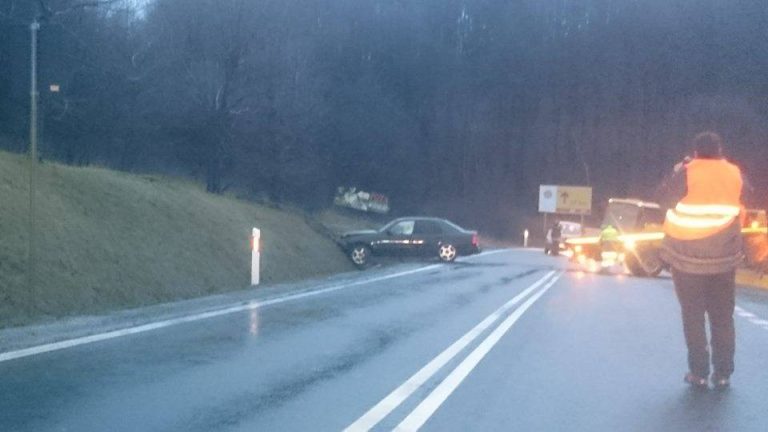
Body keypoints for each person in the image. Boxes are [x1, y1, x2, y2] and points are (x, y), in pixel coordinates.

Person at [660, 131, 744, 390]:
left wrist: (678, 169)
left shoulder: (687, 171)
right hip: (724, 258)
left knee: (693, 316)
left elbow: (663, 197)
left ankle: (698, 372)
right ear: (720, 150)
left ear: (695, 152)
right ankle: (723, 374)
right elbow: (742, 201)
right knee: (722, 317)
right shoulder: (734, 172)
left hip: (687, 259)